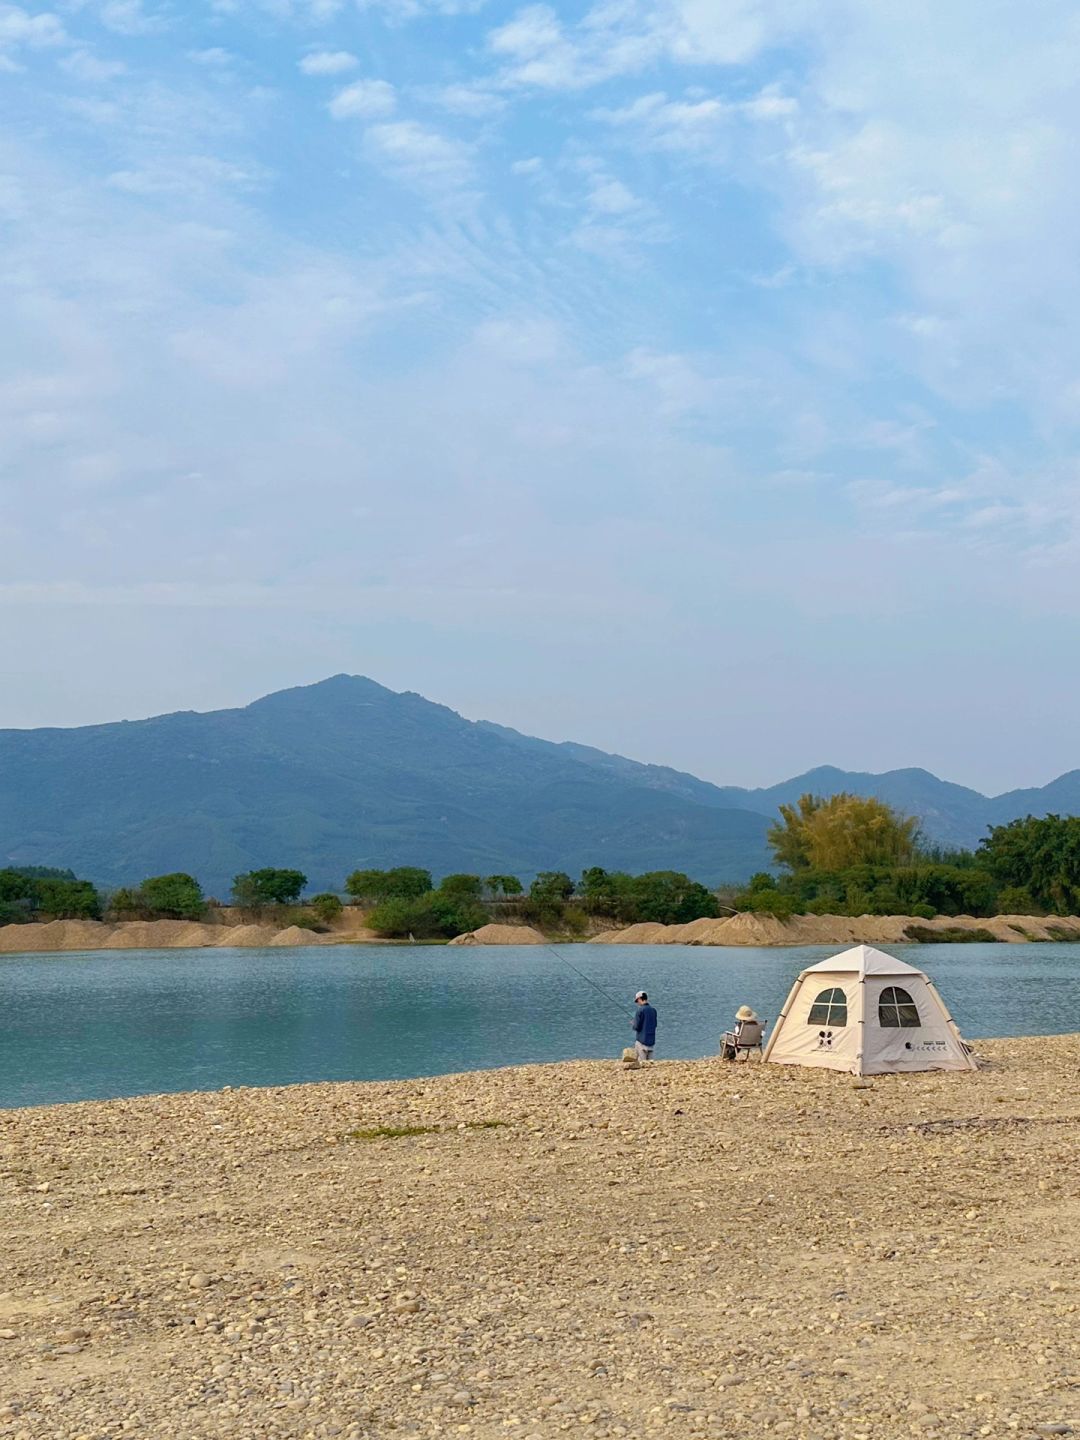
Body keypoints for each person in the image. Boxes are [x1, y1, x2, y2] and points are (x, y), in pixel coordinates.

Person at [632, 990, 658, 1062]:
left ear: (640, 999)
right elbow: (655, 1025)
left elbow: (636, 1027)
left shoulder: (640, 1011)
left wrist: (634, 1023)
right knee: (650, 1065)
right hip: (651, 1042)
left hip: (641, 1041)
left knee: (641, 1063)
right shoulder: (653, 1010)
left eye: (637, 1001)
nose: (637, 1003)